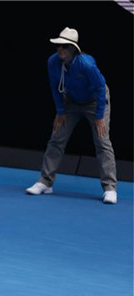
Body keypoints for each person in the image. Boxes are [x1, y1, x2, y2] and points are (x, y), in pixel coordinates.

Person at [26, 27, 118, 205]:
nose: (61, 49)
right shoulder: (52, 62)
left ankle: (110, 188)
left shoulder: (86, 64)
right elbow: (54, 87)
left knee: (102, 142)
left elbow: (100, 88)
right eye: (59, 46)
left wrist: (99, 115)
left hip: (95, 102)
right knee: (56, 138)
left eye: (65, 47)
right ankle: (45, 182)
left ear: (74, 49)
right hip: (71, 103)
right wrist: (60, 111)